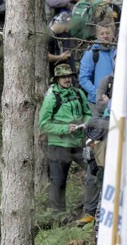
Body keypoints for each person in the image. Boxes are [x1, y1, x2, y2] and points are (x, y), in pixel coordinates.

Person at [37, 63, 92, 217]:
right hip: (58, 145)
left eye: (69, 76)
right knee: (58, 182)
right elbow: (43, 125)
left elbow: (87, 113)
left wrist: (86, 123)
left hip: (78, 144)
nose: (67, 79)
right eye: (64, 77)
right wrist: (66, 129)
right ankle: (58, 218)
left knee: (94, 170)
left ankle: (90, 209)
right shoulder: (51, 97)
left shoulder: (78, 93)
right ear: (57, 79)